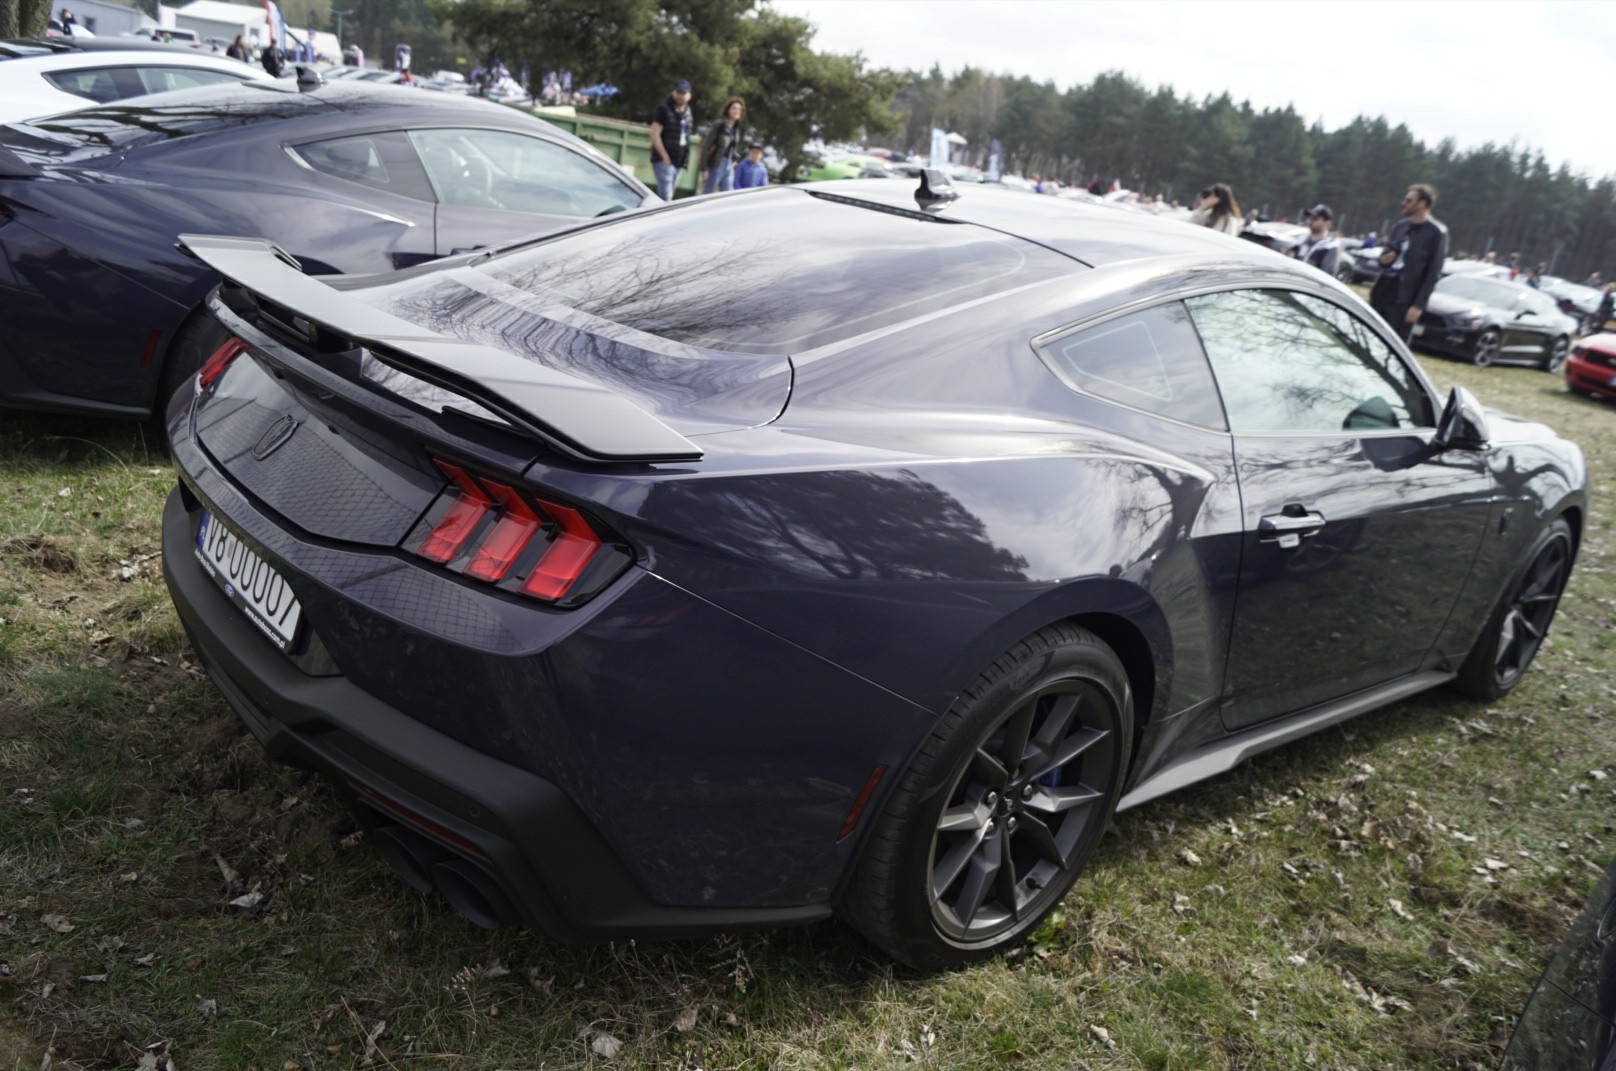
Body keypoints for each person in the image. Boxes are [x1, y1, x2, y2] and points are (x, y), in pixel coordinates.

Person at [1370, 183, 1449, 343]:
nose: (1403, 203)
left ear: (1422, 204)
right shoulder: (1400, 226)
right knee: (1371, 336)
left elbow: (1433, 272)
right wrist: (1384, 259)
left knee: (1394, 344)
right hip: (1383, 290)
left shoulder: (1436, 232)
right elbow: (1384, 259)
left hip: (1405, 298)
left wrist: (1418, 305)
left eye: (1408, 200)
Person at [649, 79, 694, 202]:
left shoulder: (688, 113)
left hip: (678, 161)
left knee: (664, 198)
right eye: (677, 92)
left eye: (683, 93)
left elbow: (686, 136)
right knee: (666, 198)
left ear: (689, 95)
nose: (680, 96)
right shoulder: (664, 109)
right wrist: (664, 155)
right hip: (664, 160)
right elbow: (654, 133)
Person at [698, 97, 746, 194]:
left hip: (729, 165)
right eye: (734, 108)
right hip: (716, 164)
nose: (737, 111)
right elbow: (706, 146)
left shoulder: (736, 129)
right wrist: (703, 168)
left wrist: (735, 159)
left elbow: (733, 148)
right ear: (728, 110)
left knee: (728, 195)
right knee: (707, 194)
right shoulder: (719, 125)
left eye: (739, 109)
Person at [1288, 203, 1341, 278]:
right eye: (1309, 218)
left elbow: (1327, 277)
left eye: (1315, 218)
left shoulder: (1330, 247)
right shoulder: (1301, 241)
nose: (1310, 221)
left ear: (1327, 223)